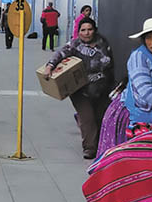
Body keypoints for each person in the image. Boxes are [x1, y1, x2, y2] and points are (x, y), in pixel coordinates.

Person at [43, 17, 114, 159]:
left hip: (101, 89)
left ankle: (100, 144)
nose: (86, 33)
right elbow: (60, 53)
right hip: (80, 90)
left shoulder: (103, 43)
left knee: (100, 117)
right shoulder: (74, 45)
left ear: (94, 30)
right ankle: (89, 148)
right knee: (87, 118)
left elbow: (110, 66)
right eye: (83, 30)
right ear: (79, 31)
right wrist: (50, 65)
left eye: (89, 29)